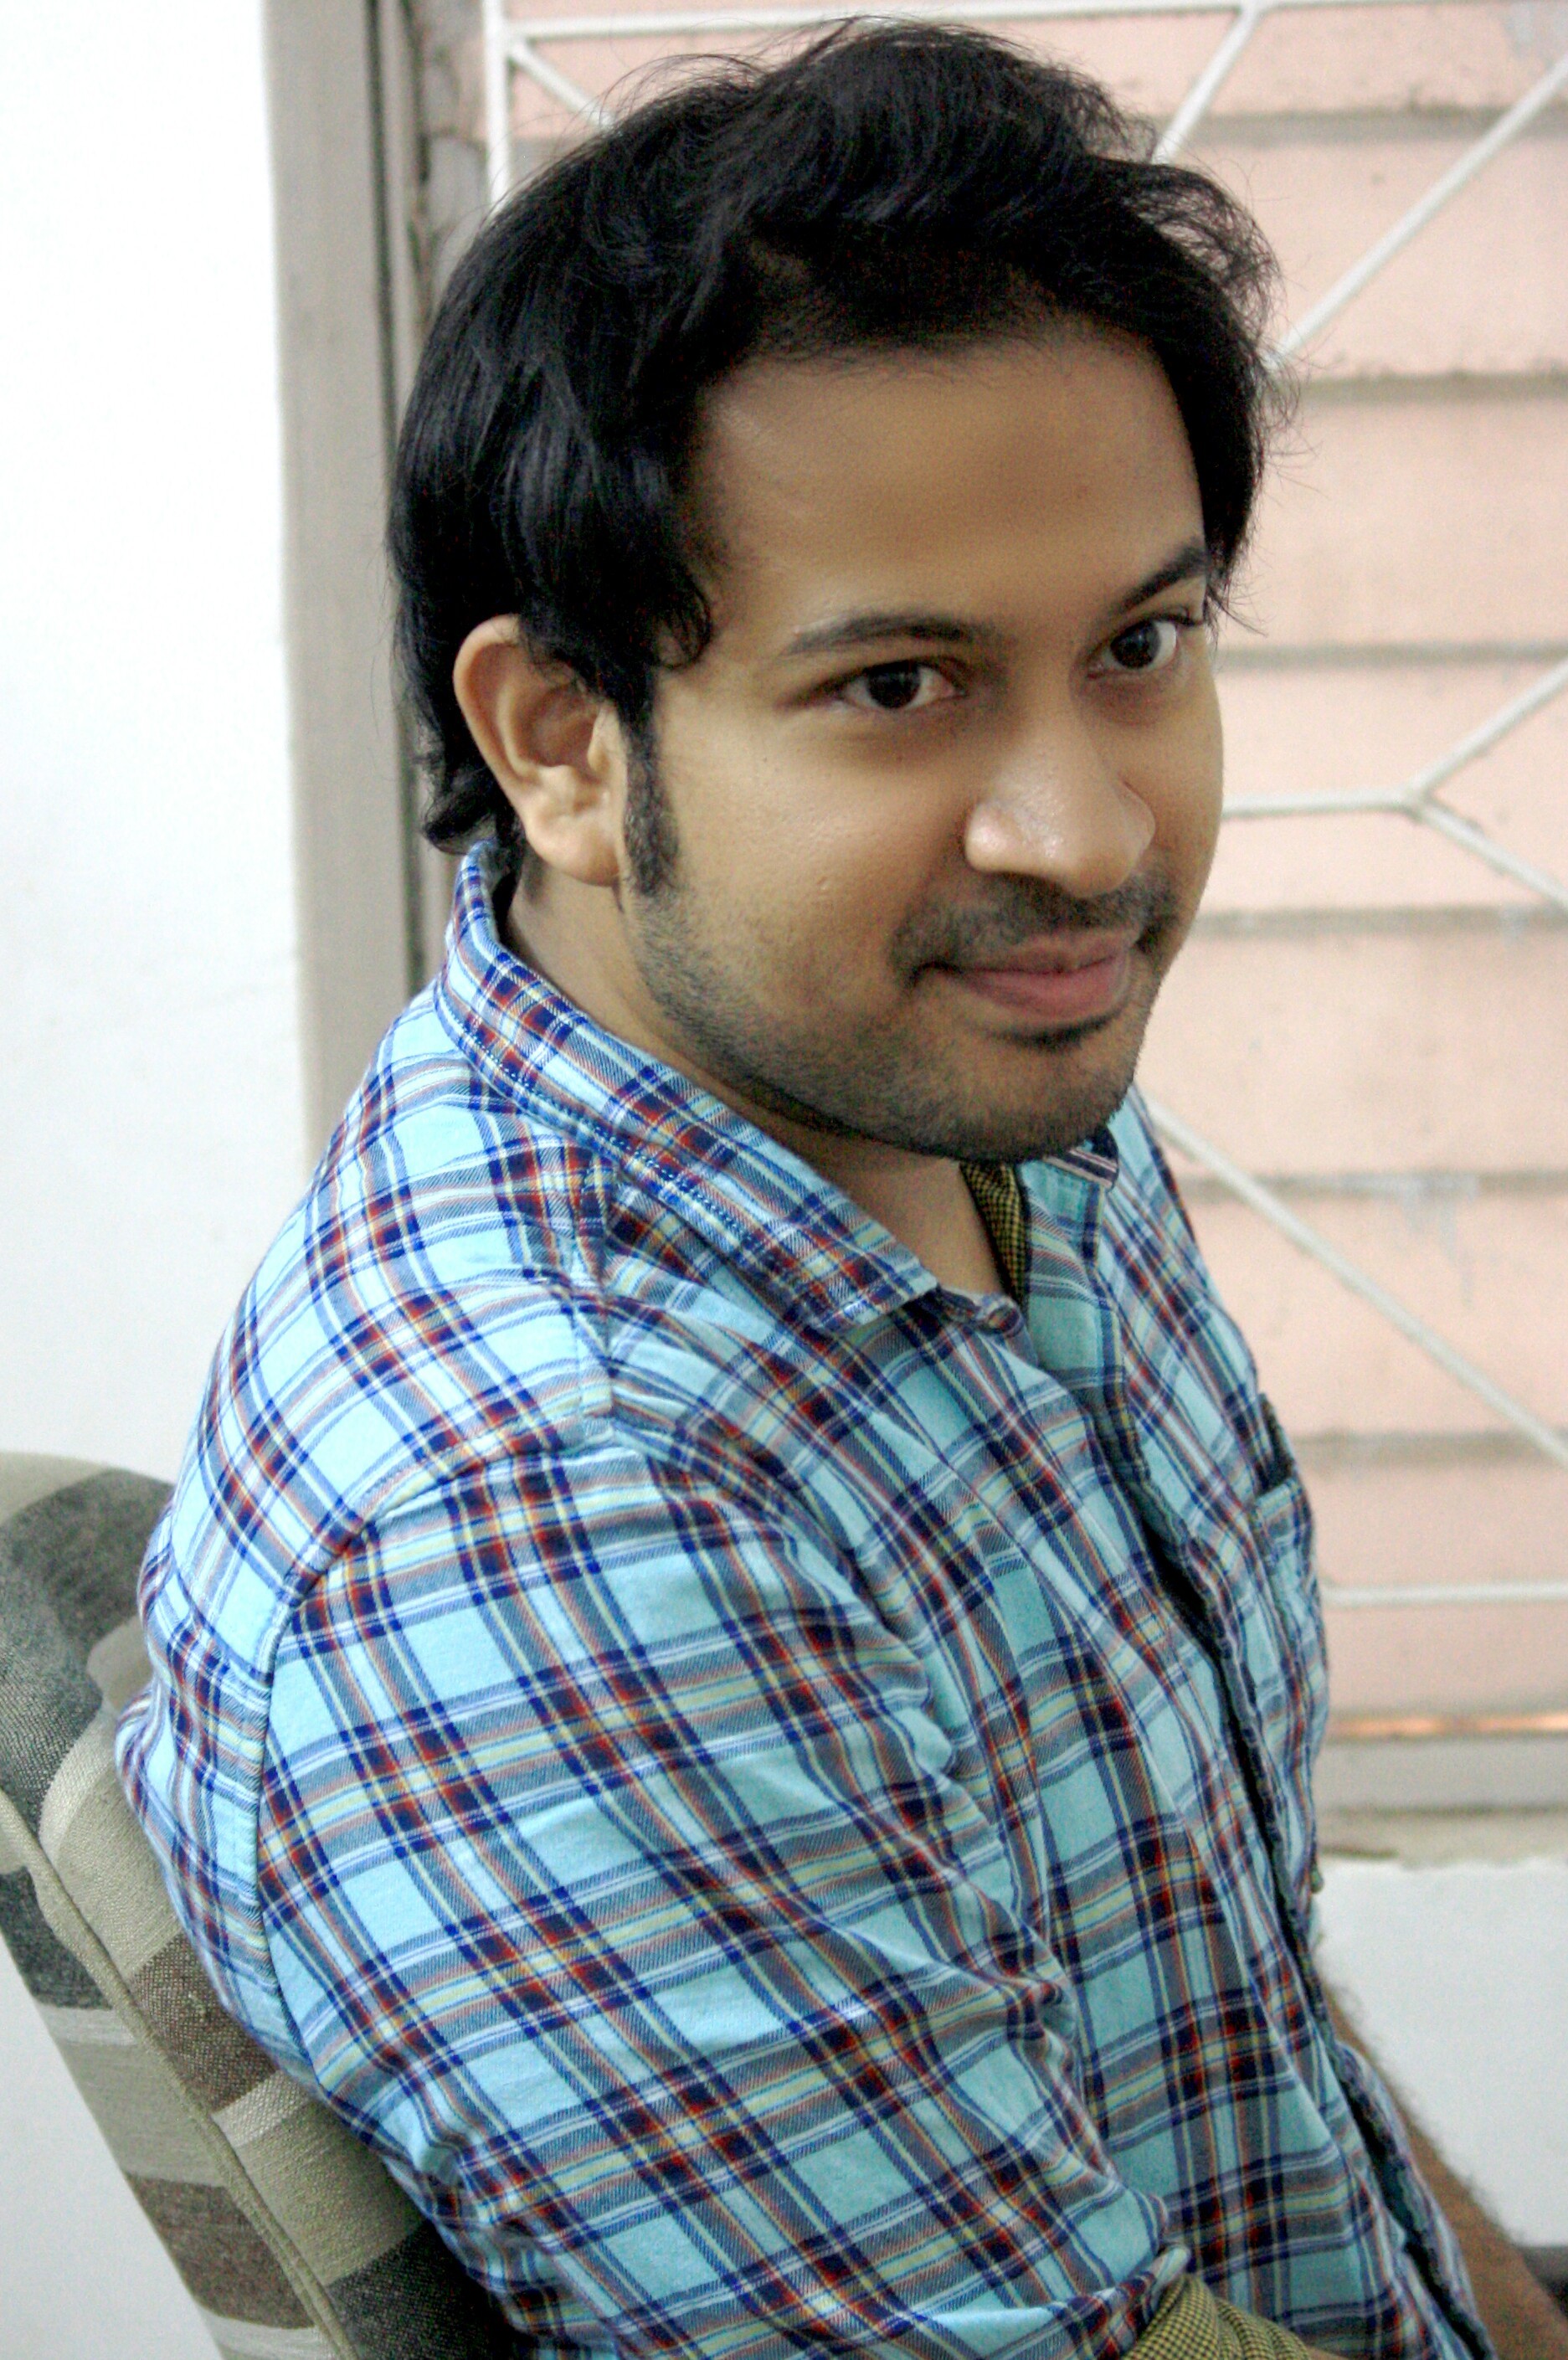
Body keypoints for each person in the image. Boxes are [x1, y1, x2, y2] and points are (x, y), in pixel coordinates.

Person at [118, 26, 1564, 2359]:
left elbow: (1227, 1990)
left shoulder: (968, 1094)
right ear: (563, 742)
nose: (1082, 834)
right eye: (902, 686)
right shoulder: (559, 1523)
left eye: (1141, 647)